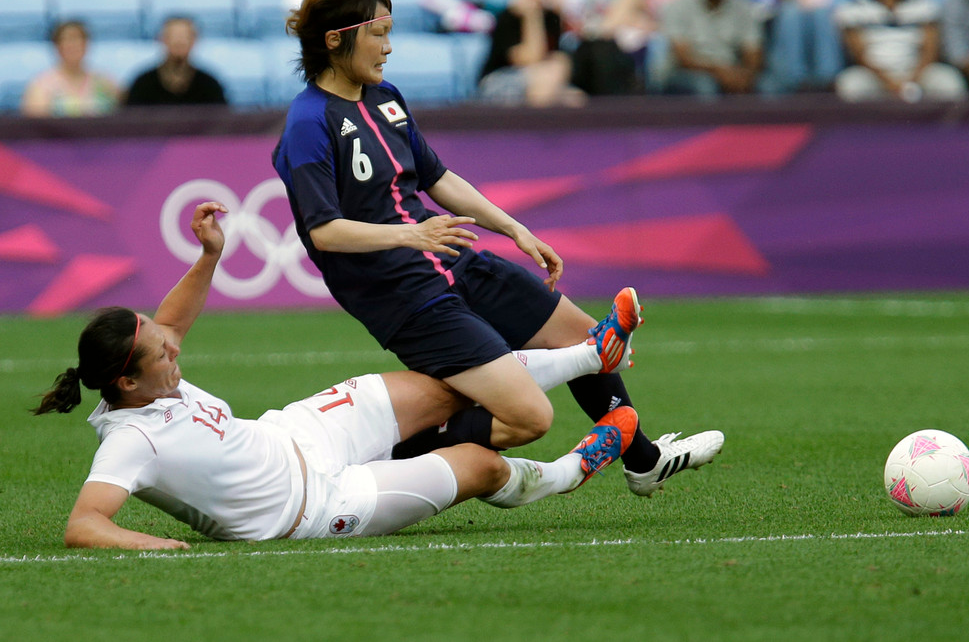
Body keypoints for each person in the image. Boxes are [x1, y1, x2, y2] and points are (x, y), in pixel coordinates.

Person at [273, 0, 724, 497]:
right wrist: (409, 235)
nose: (388, 46)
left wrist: (514, 229)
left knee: (579, 333)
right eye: (378, 33)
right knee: (529, 419)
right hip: (403, 297)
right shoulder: (307, 124)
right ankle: (390, 453)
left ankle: (643, 460)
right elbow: (324, 232)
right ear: (334, 40)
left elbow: (437, 178)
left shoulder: (386, 97)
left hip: (454, 260)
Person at [34, 202, 646, 549]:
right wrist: (158, 545)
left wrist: (211, 255)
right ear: (127, 386)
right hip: (316, 507)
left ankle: (597, 353)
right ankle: (571, 471)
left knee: (449, 384)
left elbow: (169, 323)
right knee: (480, 467)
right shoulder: (129, 441)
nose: (173, 349)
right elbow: (84, 525)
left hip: (300, 431)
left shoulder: (147, 369)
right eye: (161, 355)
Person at [834, 0, 968, 102]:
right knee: (850, 85)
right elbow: (859, 54)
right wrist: (890, 83)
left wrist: (911, 80)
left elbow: (930, 50)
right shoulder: (854, 6)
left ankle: (942, 128)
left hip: (917, 71)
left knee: (948, 82)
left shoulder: (924, 4)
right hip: (872, 74)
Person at [477, 0, 585, 107]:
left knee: (576, 98)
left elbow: (553, 57)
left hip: (542, 79)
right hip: (499, 81)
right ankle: (535, 130)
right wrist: (532, 17)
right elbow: (529, 58)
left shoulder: (551, 17)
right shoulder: (507, 17)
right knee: (549, 78)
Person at [654, 0, 764, 97]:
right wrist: (719, 72)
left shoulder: (743, 7)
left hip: (732, 70)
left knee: (769, 86)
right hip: (689, 73)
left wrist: (746, 75)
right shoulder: (679, 6)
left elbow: (753, 51)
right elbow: (683, 58)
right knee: (706, 87)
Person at [760, 0, 844, 94]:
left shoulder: (815, 15)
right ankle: (797, 81)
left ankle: (827, 79)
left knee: (820, 12)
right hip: (780, 72)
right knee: (790, 8)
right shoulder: (763, 13)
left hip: (815, 70)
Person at [21, 21, 120, 117]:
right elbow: (36, 127)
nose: (73, 45)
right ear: (56, 46)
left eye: (78, 39)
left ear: (87, 44)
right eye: (67, 40)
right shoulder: (41, 85)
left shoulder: (105, 81)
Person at [126, 17, 227, 106]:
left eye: (185, 37)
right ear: (161, 40)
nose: (179, 42)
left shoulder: (210, 86)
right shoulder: (143, 85)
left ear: (194, 41)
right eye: (173, 37)